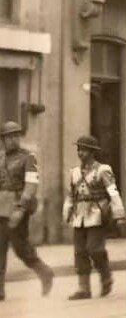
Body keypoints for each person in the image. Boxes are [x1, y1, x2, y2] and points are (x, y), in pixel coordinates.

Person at [63, 135, 126, 300]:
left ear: (92, 152)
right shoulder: (74, 172)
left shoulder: (103, 170)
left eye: (84, 150)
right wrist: (67, 211)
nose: (80, 153)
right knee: (80, 251)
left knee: (94, 249)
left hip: (97, 214)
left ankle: (106, 276)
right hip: (79, 215)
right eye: (79, 149)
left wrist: (119, 213)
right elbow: (71, 195)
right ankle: (83, 288)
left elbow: (113, 192)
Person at [0, 121, 53, 301]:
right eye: (9, 136)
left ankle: (44, 272)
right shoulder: (0, 158)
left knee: (21, 248)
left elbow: (31, 185)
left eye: (15, 135)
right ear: (3, 139)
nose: (13, 139)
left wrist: (21, 208)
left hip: (17, 207)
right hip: (0, 208)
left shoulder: (28, 157)